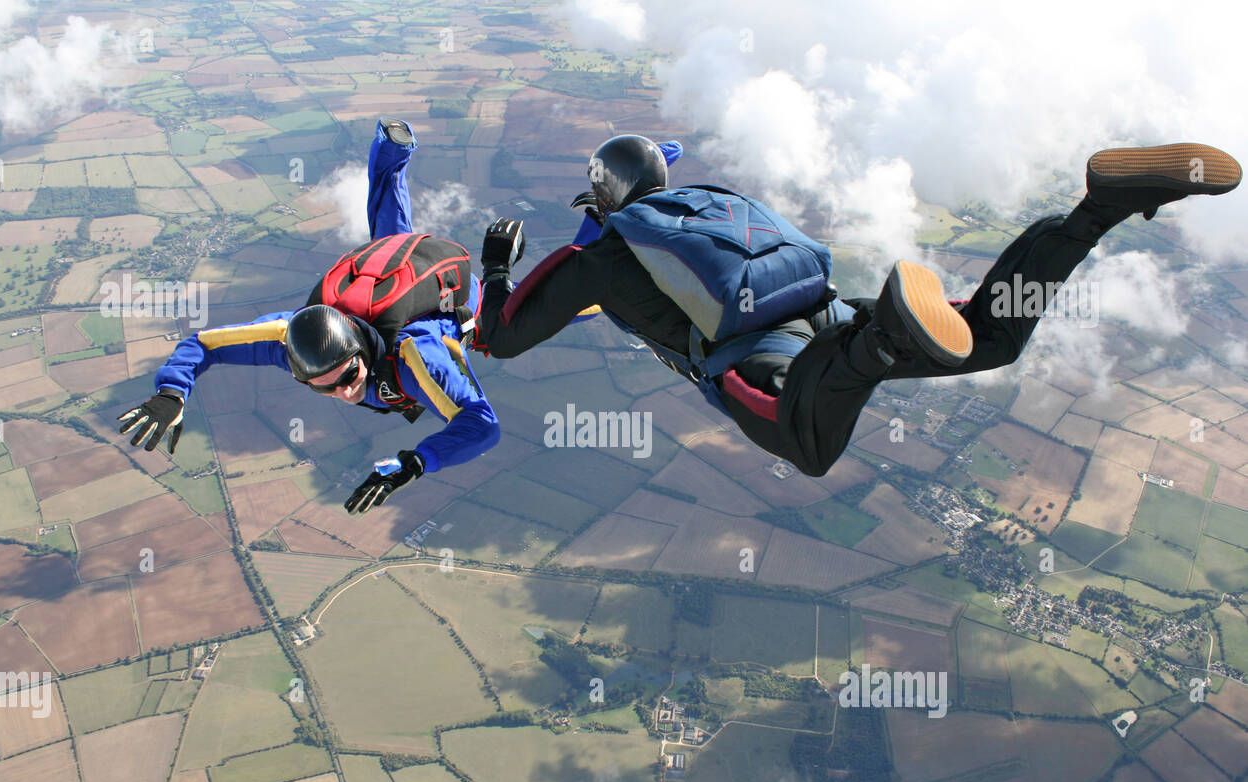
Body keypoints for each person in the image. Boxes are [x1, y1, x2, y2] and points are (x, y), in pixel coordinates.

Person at [472, 136, 1241, 477]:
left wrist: (498, 272)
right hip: (828, 307)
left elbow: (499, 342)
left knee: (803, 441)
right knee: (987, 336)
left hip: (756, 357)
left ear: (601, 197)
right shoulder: (708, 202)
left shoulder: (595, 260)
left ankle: (873, 350)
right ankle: (1092, 216)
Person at [117, 118, 500, 513]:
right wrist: (172, 392)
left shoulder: (418, 356)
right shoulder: (290, 341)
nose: (343, 392)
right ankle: (391, 150)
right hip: (381, 285)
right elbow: (204, 344)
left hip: (460, 299)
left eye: (349, 376)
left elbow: (482, 426)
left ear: (357, 355)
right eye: (322, 387)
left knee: (528, 321)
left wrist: (417, 461)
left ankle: (569, 259)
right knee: (391, 239)